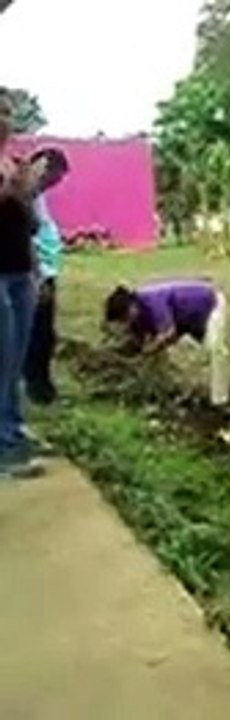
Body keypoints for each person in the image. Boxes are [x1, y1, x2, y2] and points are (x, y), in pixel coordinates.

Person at [0, 88, 44, 479]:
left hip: (19, 269)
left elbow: (31, 226)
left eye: (7, 114)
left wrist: (25, 194)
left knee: (13, 359)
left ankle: (12, 427)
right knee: (2, 356)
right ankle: (7, 446)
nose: (6, 121)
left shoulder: (11, 162)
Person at [103, 280, 230, 406]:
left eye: (125, 318)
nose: (127, 323)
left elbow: (169, 332)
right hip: (185, 320)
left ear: (131, 306)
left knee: (216, 350)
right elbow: (146, 341)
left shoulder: (152, 301)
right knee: (204, 353)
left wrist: (151, 349)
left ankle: (220, 400)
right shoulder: (136, 319)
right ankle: (204, 391)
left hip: (210, 303)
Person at [24, 149, 70, 405]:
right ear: (43, 168)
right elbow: (26, 237)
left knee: (44, 334)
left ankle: (39, 384)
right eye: (53, 179)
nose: (52, 186)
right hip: (37, 274)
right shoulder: (25, 193)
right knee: (39, 335)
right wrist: (39, 275)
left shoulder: (38, 196)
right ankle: (38, 388)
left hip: (45, 272)